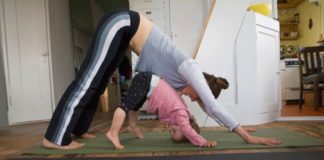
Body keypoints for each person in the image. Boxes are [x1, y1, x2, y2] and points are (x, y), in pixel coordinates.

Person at [42, 9, 280, 150]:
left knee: (102, 80)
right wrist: (247, 137)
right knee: (89, 79)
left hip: (125, 36)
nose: (188, 98)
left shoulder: (181, 84)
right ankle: (54, 137)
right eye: (194, 97)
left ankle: (80, 128)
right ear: (200, 87)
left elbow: (208, 107)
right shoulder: (191, 69)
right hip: (123, 23)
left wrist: (235, 127)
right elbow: (212, 105)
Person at [107, 72, 217, 149]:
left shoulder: (179, 114)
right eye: (174, 131)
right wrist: (203, 142)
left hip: (149, 84)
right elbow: (188, 130)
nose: (170, 131)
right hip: (147, 82)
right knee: (125, 106)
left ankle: (132, 125)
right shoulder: (182, 114)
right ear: (184, 127)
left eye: (171, 133)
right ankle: (113, 133)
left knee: (135, 106)